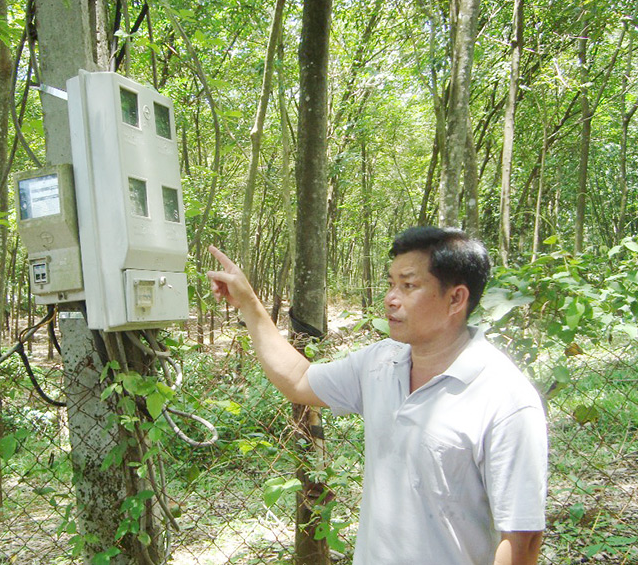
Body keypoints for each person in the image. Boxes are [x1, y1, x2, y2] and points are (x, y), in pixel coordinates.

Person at [207, 226, 547, 565]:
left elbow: (522, 541)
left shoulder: (505, 398)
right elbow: (298, 379)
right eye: (391, 283)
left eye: (408, 286)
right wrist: (248, 303)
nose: (391, 298)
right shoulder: (381, 362)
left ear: (456, 298)